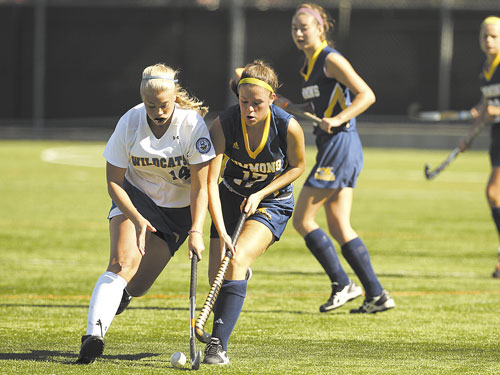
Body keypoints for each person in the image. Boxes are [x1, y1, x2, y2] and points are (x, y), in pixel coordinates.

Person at [76, 63, 216, 364]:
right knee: (121, 263)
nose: (157, 111)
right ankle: (93, 336)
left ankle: (120, 296)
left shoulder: (192, 125)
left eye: (164, 105)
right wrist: (138, 218)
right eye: (150, 105)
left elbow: (201, 187)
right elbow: (114, 182)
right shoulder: (130, 122)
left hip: (177, 214)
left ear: (175, 97)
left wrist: (195, 231)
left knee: (137, 286)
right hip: (136, 199)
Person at [281, 3, 395, 314]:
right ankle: (377, 295)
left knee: (303, 219)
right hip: (335, 146)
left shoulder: (330, 60)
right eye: (294, 28)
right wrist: (285, 103)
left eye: (304, 27)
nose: (299, 33)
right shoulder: (308, 66)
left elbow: (366, 94)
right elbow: (319, 110)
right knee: (338, 225)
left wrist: (341, 118)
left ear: (320, 29)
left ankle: (342, 284)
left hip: (341, 146)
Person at [202, 60, 306, 365]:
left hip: (272, 201)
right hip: (230, 198)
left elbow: (298, 166)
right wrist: (218, 228)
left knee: (233, 261)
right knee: (217, 280)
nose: (249, 110)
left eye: (257, 104)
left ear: (272, 100)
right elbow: (210, 181)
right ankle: (240, 273)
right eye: (244, 102)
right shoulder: (224, 124)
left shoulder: (288, 126)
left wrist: (261, 193)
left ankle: (217, 347)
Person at [460, 16, 500, 278]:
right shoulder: (483, 69)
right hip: (497, 135)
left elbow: (495, 107)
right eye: (485, 36)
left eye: (494, 36)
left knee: (494, 193)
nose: (488, 40)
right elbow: (488, 105)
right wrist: (470, 136)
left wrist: (494, 109)